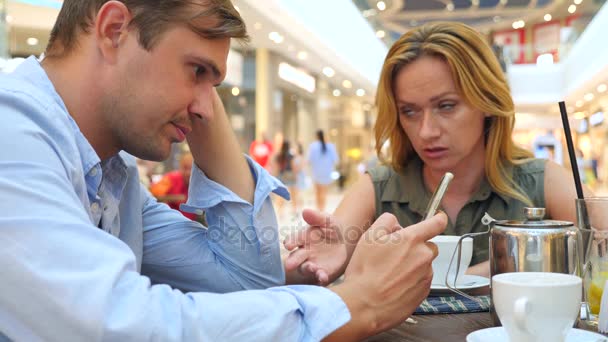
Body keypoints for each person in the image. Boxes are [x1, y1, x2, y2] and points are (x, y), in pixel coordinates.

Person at [0, 1, 448, 340]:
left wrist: (193, 92)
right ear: (115, 30)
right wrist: (355, 303)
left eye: (213, 86)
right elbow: (119, 325)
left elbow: (246, 281)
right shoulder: (12, 131)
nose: (204, 109)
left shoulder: (112, 175)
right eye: (196, 70)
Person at [284, 21, 589, 286]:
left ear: (485, 101)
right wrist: (308, 265)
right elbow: (313, 268)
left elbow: (599, 246)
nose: (426, 131)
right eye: (409, 111)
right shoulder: (380, 187)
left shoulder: (542, 182)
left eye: (446, 106)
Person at [150, 152, 197, 220]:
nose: (188, 173)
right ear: (180, 167)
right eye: (185, 168)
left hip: (191, 224)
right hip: (169, 221)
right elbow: (152, 196)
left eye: (191, 168)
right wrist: (174, 198)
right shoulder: (170, 178)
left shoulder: (199, 184)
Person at [307, 129, 339, 211]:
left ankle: (318, 209)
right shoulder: (330, 146)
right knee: (324, 192)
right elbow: (335, 159)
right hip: (327, 172)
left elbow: (309, 160)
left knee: (317, 192)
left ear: (316, 136)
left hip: (316, 172)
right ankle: (322, 209)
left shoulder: (313, 146)